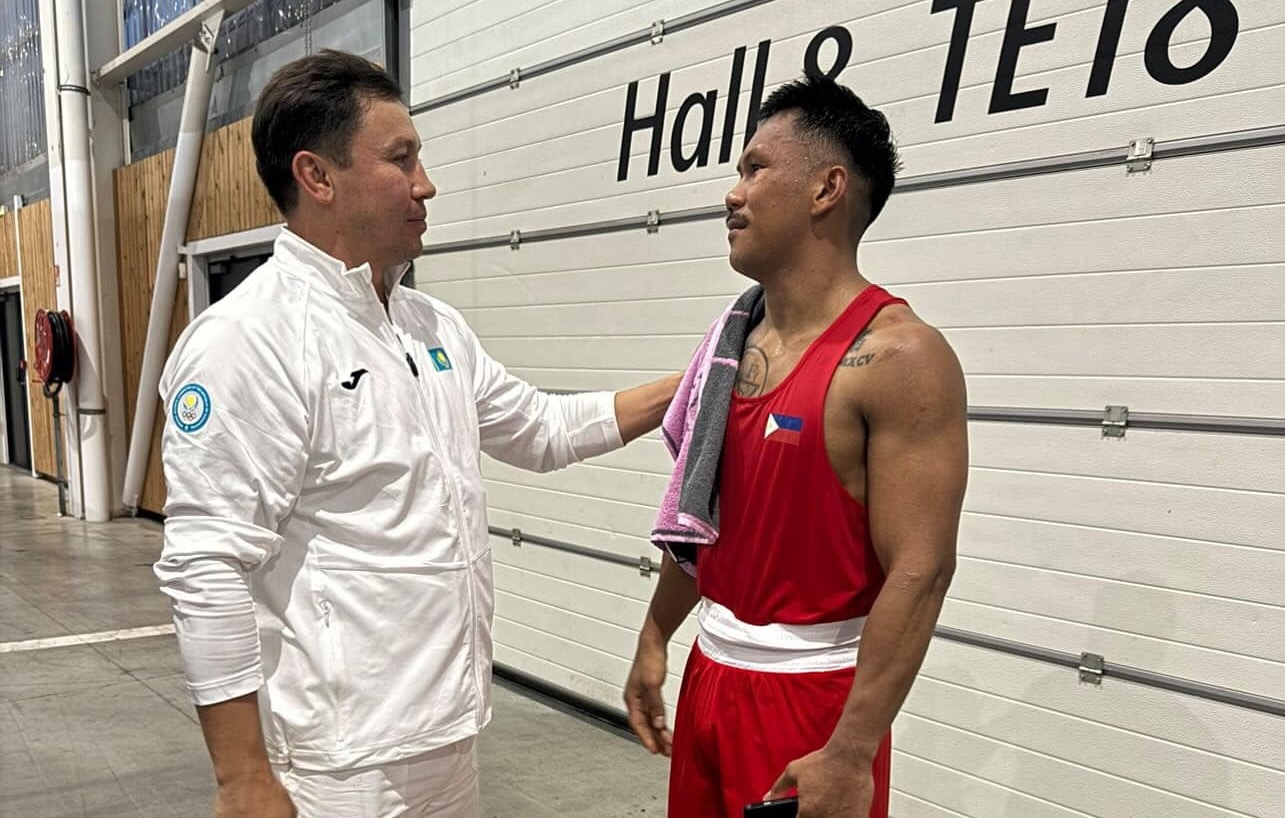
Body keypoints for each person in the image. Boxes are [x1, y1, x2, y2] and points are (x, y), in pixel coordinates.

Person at [154, 50, 678, 818]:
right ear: (317, 176)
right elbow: (206, 561)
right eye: (401, 159)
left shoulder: (429, 326)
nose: (426, 184)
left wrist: (692, 385)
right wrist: (243, 778)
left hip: (448, 733)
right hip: (344, 765)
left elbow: (540, 429)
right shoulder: (250, 339)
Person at [624, 74, 968, 818]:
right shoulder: (730, 345)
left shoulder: (900, 357)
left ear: (825, 189)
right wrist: (656, 636)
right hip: (711, 675)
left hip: (811, 702)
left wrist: (850, 751)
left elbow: (921, 570)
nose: (731, 194)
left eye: (754, 168)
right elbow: (704, 520)